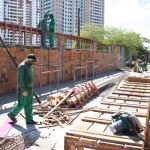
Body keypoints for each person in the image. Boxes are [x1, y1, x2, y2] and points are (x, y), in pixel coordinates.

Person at [8, 54, 38, 124]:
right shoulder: (22, 67)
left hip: (30, 88)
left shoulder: (29, 66)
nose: (34, 63)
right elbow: (20, 80)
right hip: (23, 88)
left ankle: (29, 119)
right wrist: (23, 90)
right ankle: (11, 114)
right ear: (29, 60)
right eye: (33, 61)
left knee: (29, 104)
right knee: (21, 103)